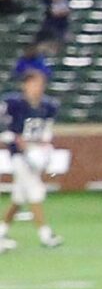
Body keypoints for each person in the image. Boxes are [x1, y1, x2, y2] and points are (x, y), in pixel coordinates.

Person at [3, 64, 64, 250]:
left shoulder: (47, 106)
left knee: (19, 198)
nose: (38, 88)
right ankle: (46, 235)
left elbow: (46, 130)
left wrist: (44, 142)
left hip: (36, 154)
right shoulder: (14, 105)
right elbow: (4, 131)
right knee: (35, 192)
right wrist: (15, 138)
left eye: (40, 84)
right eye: (34, 84)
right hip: (20, 156)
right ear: (25, 85)